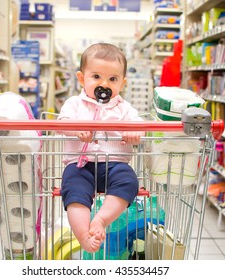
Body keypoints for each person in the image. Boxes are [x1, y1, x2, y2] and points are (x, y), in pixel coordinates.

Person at [57, 43, 144, 253]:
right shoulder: (74, 104)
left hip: (115, 164)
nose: (104, 84)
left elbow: (140, 125)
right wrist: (76, 129)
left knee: (129, 181)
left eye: (112, 79)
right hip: (81, 164)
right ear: (81, 78)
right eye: (96, 77)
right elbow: (63, 122)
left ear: (122, 83)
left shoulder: (124, 108)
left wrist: (135, 132)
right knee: (74, 191)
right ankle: (84, 236)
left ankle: (100, 220)